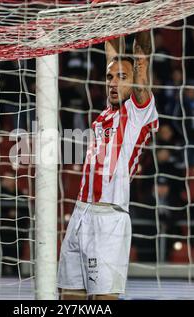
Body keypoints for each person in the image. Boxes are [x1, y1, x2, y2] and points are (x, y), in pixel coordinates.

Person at [57, 30, 159, 300]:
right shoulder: (106, 112)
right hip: (79, 213)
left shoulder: (138, 112)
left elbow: (142, 57)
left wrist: (141, 21)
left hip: (109, 218)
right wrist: (112, 14)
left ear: (135, 81)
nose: (113, 83)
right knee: (69, 296)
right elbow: (112, 54)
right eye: (109, 77)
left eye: (122, 78)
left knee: (104, 301)